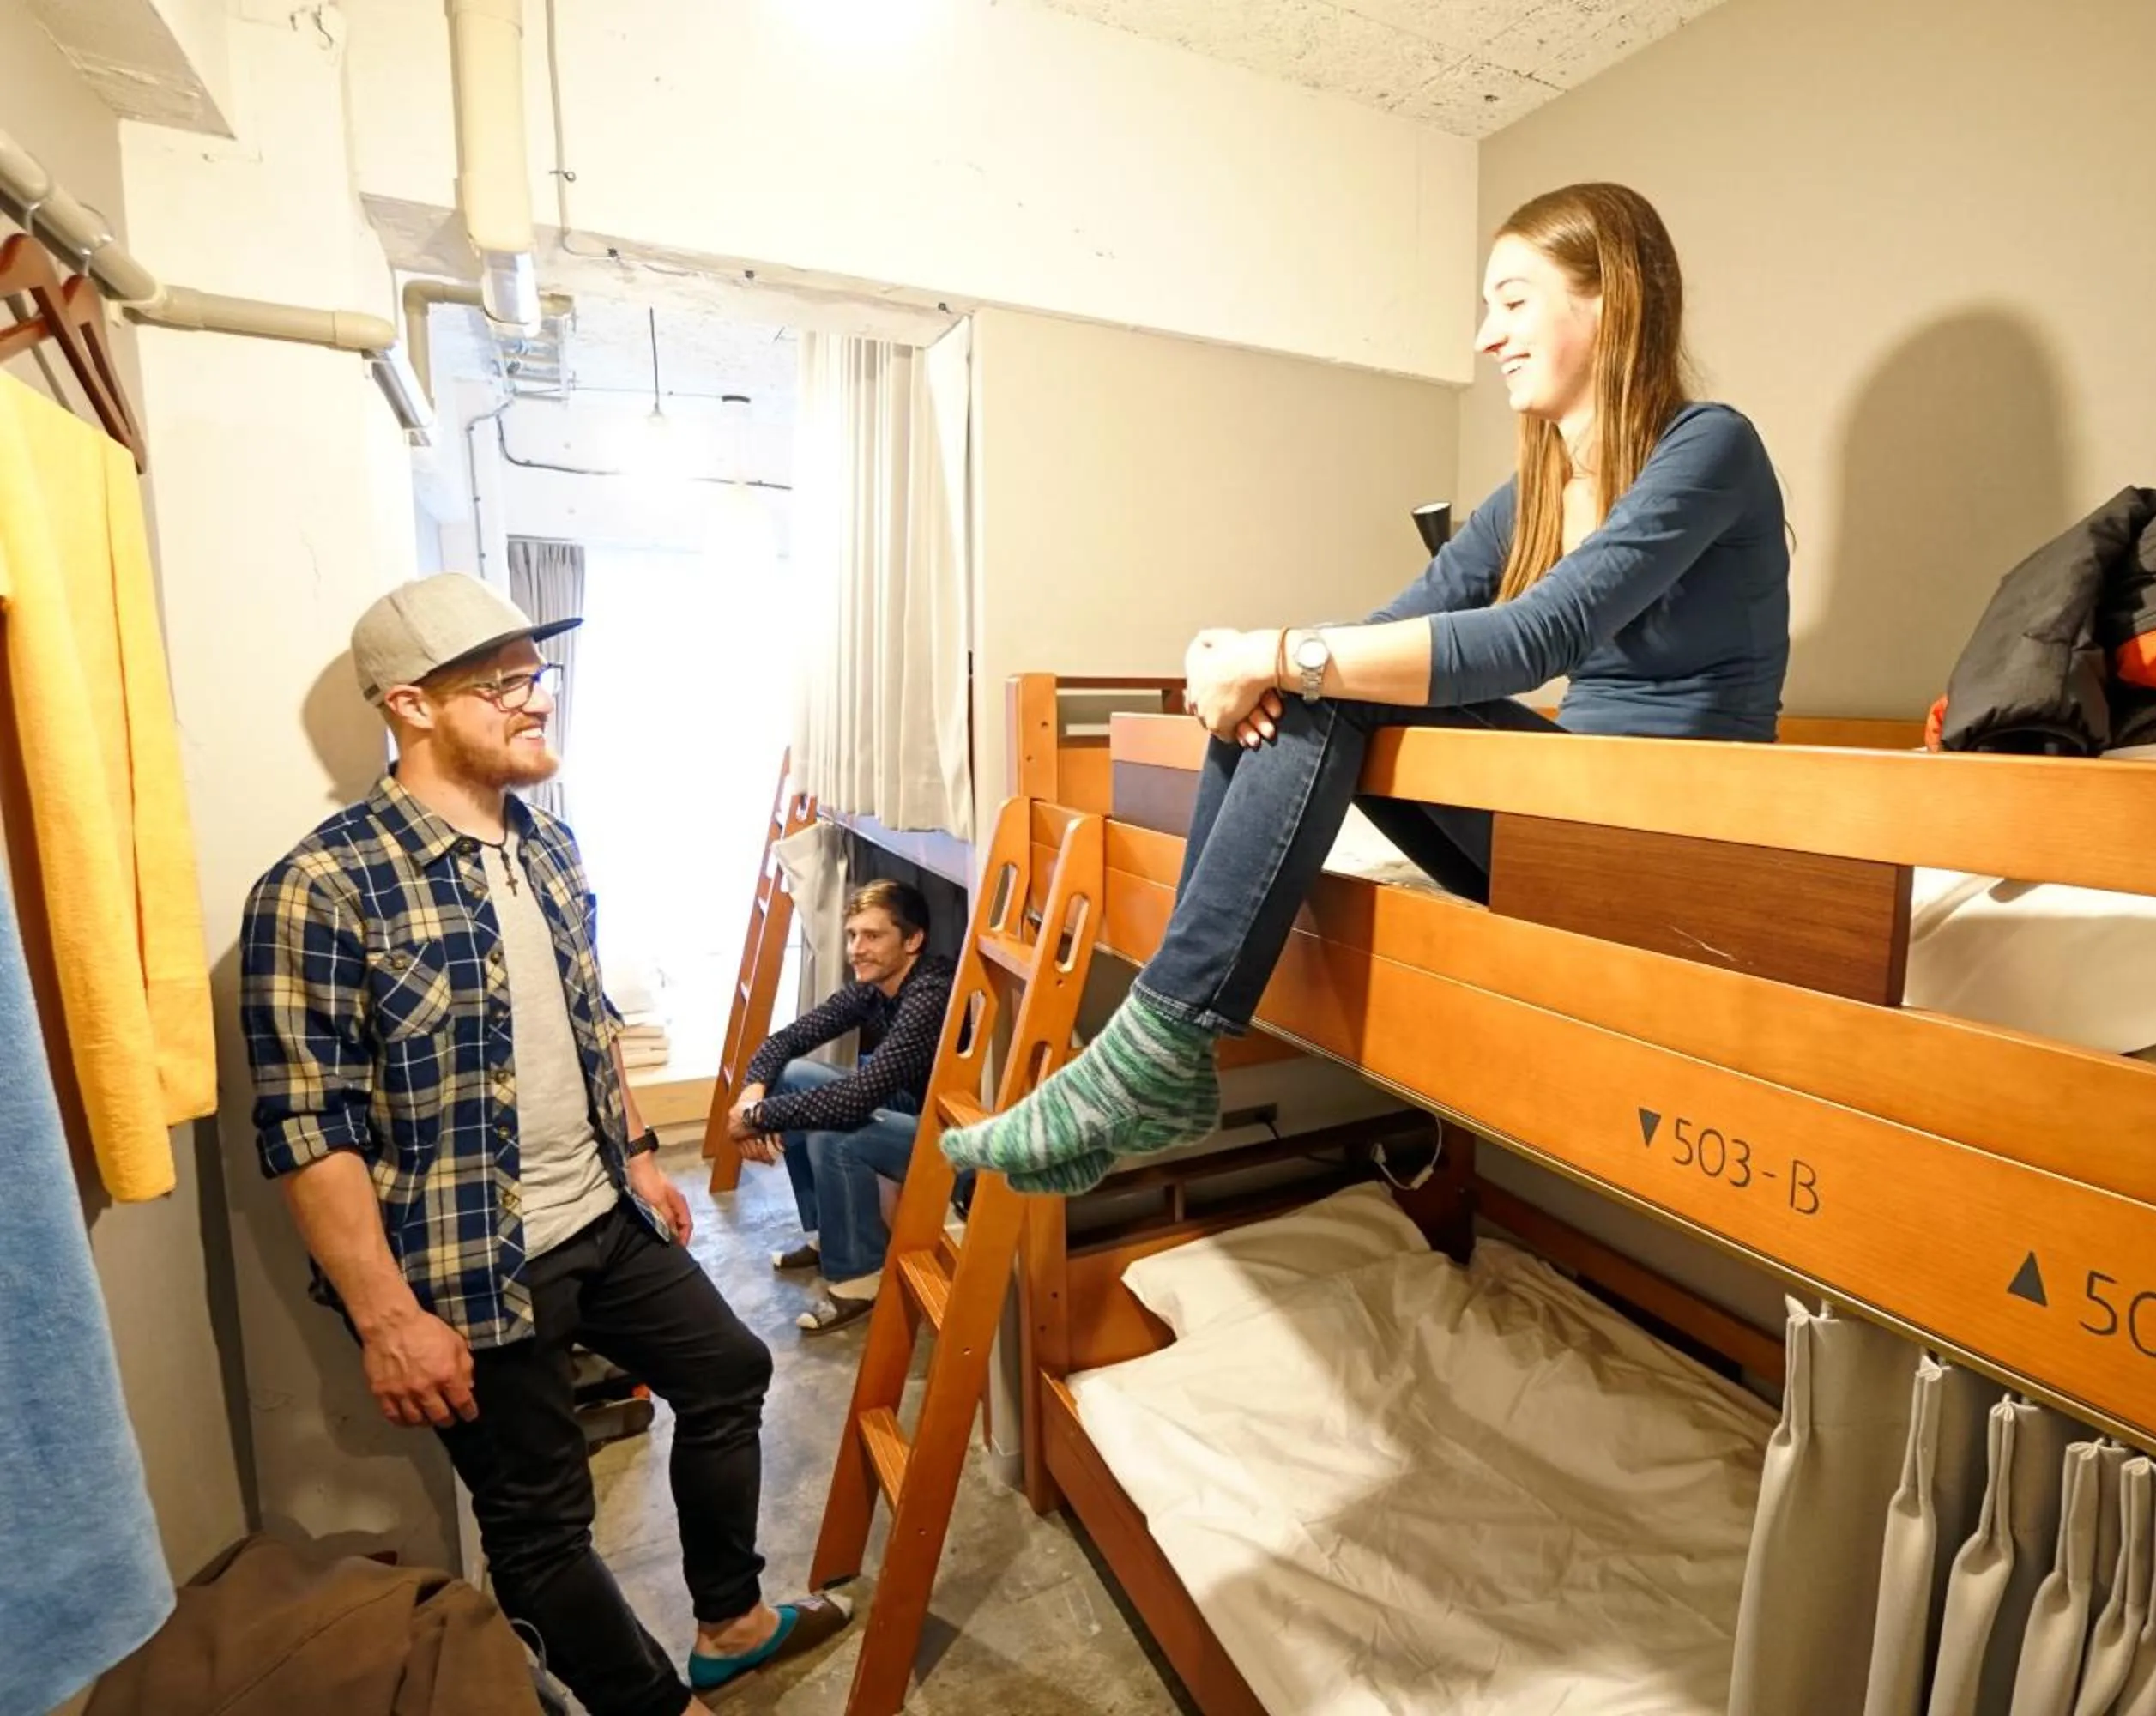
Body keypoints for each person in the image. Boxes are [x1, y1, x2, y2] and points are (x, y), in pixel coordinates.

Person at [941, 181, 1791, 1195]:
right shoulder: (1536, 489)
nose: (1488, 336)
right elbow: (1395, 623)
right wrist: (1251, 658)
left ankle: (1156, 1049)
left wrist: (1281, 652)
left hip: (1667, 844)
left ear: (1613, 300)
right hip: (1565, 823)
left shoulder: (1710, 447)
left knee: (1314, 677)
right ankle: (1163, 1046)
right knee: (1306, 685)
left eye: (1514, 301)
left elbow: (1538, 635)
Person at [240, 574, 848, 1716]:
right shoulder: (321, 888)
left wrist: (642, 1158)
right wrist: (385, 1318)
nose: (536, 702)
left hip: (601, 1220)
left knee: (729, 1370)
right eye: (500, 683)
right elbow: (306, 1126)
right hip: (467, 1269)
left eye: (536, 677)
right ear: (409, 705)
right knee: (540, 1519)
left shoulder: (550, 847)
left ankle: (730, 1618)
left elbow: (589, 1020)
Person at [726, 879, 957, 1335]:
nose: (856, 949)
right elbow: (785, 1041)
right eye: (852, 935)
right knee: (789, 1077)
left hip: (951, 1137)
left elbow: (858, 1098)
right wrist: (753, 1093)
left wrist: (757, 1119)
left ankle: (860, 1277)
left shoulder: (931, 994)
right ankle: (827, 1235)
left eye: (872, 936)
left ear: (912, 941)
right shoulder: (874, 987)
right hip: (911, 1108)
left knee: (835, 1130)